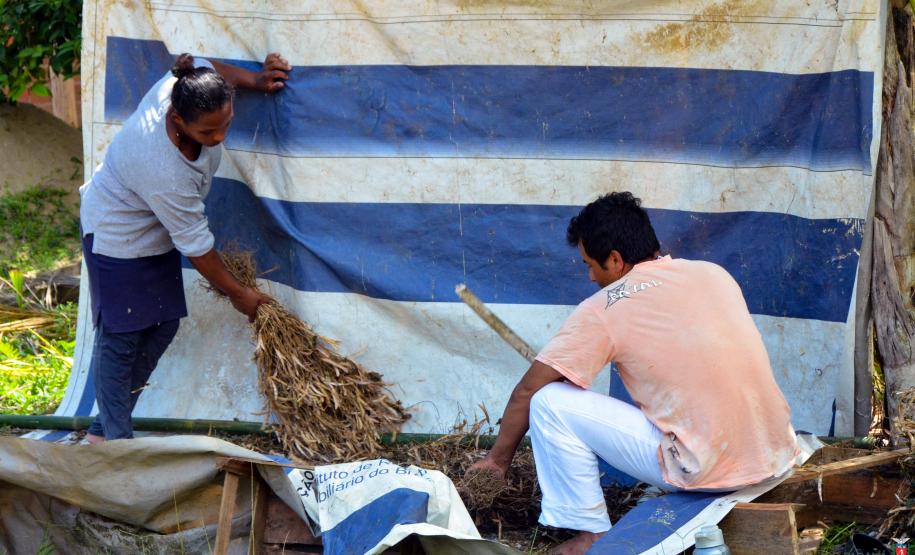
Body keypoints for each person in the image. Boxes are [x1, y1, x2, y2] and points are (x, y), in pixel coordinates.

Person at [467, 192, 799, 555]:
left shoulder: (606, 307)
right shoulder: (711, 273)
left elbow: (528, 391)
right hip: (776, 455)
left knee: (548, 401)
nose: (591, 277)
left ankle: (590, 532)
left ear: (615, 259)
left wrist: (496, 461)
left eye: (590, 265)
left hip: (704, 471)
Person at [79, 52, 292, 443]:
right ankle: (115, 444)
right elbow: (197, 245)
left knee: (162, 325)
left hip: (157, 231)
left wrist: (257, 81)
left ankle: (102, 430)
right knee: (121, 337)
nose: (220, 138)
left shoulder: (186, 87)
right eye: (209, 133)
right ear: (177, 121)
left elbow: (212, 69)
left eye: (225, 125)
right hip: (116, 235)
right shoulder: (161, 166)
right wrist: (240, 294)